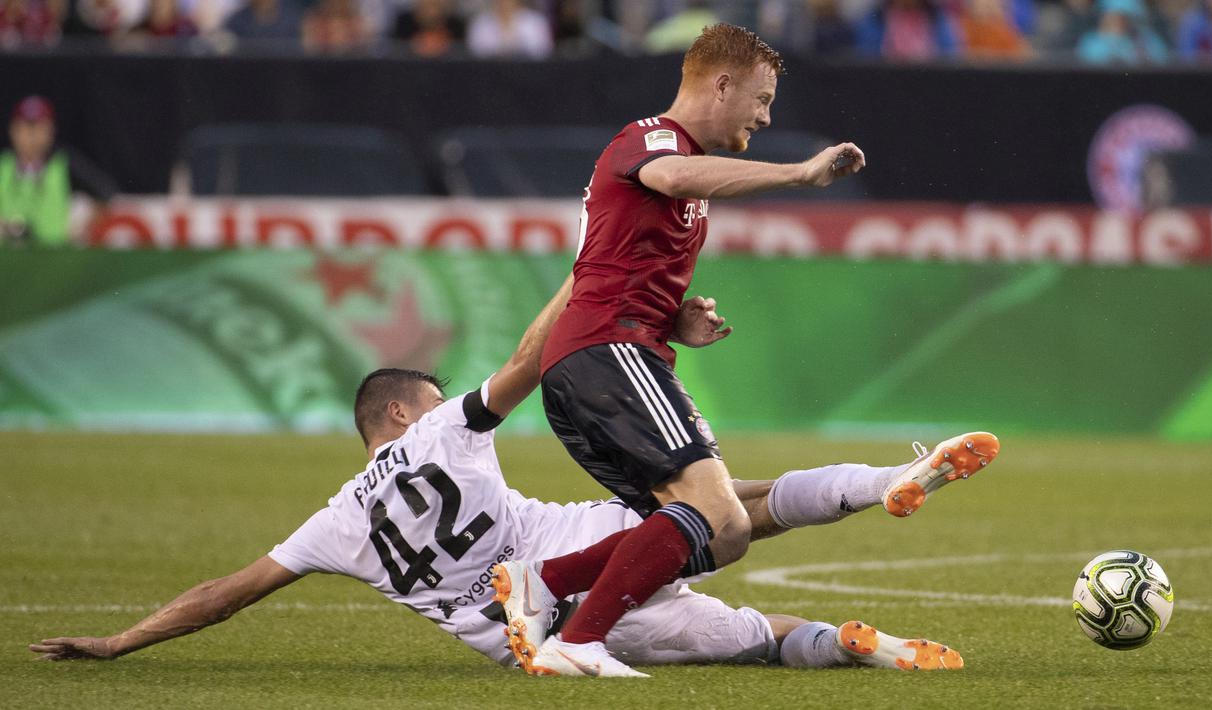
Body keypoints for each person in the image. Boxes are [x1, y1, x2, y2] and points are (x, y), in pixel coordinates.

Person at [27, 273, 995, 675]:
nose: (443, 399)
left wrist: (121, 641)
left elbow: (227, 592)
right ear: (400, 412)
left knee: (753, 636)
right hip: (557, 552)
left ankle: (855, 643)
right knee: (720, 508)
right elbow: (532, 356)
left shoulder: (334, 523)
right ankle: (877, 483)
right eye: (431, 393)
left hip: (516, 636)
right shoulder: (440, 431)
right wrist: (594, 267)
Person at [492, 22, 993, 678]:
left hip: (604, 354)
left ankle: (547, 583)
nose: (765, 116)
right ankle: (574, 636)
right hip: (608, 352)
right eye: (761, 99)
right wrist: (797, 172)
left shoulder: (673, 166)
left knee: (723, 524)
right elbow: (672, 176)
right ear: (721, 85)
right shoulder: (654, 139)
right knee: (715, 515)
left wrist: (672, 318)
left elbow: (611, 262)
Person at [0, 95, 116, 246]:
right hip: (8, 253)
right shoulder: (4, 165)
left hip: (53, 253)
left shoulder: (64, 164)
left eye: (40, 128)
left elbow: (106, 194)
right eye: (27, 128)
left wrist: (83, 228)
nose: (33, 136)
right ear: (13, 130)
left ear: (51, 131)